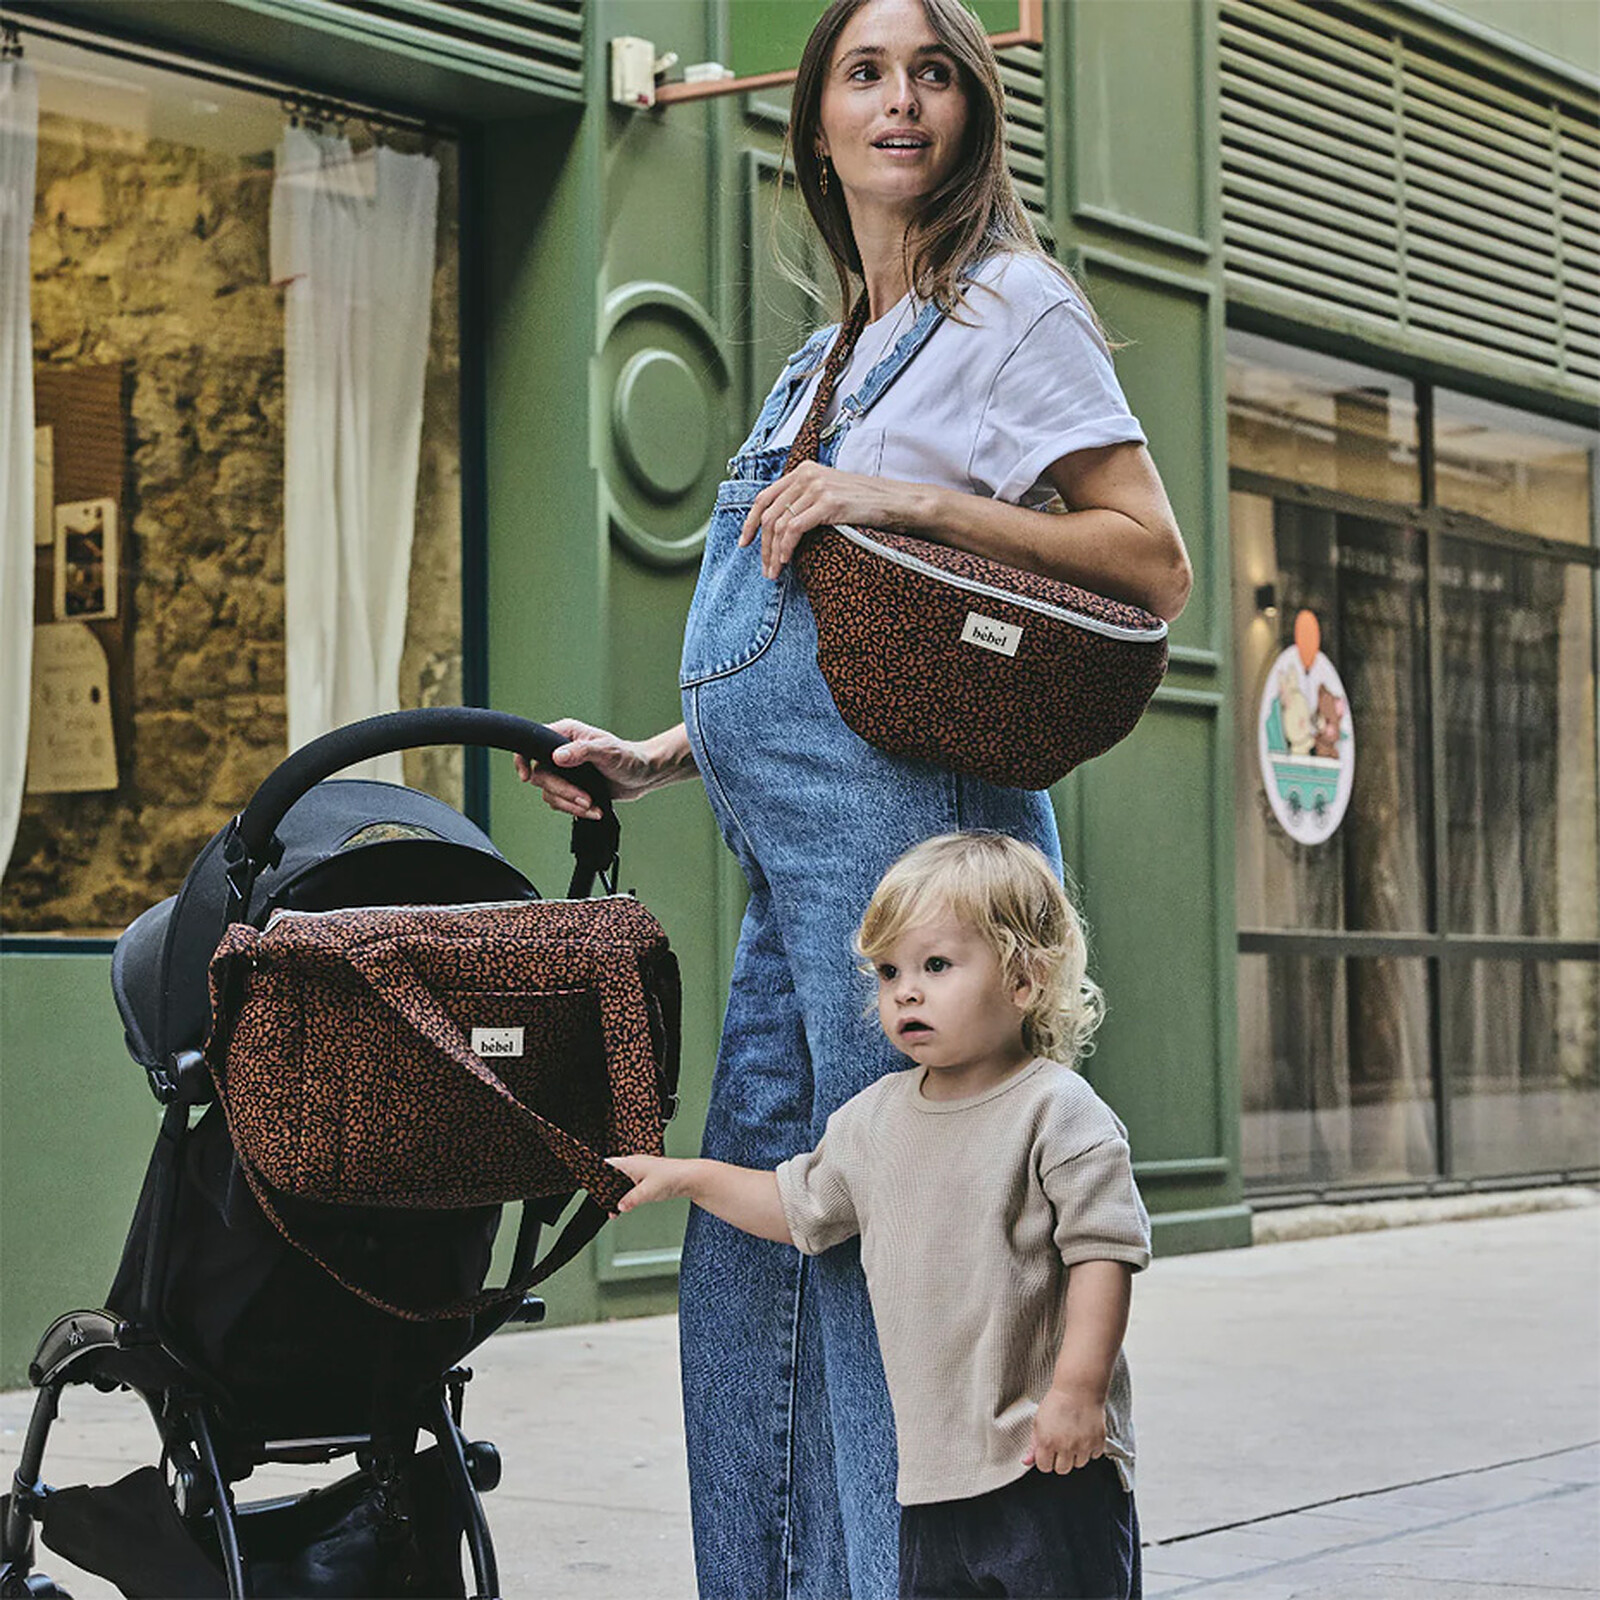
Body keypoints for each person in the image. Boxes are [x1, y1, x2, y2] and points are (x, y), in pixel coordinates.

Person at [516, 2, 1190, 1592]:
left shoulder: (1011, 310)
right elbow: (826, 646)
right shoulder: (827, 352)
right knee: (760, 1260)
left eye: (934, 72)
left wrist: (903, 490)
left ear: (972, 112)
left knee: (907, 1269)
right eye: (866, 75)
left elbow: (1150, 555)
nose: (901, 103)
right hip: (791, 875)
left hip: (915, 875)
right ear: (813, 121)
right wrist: (655, 754)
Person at [609, 833, 1151, 1600]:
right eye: (889, 971)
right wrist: (692, 1177)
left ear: (1026, 979)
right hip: (931, 1486)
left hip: (1047, 1467)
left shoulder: (1057, 1110)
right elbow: (798, 1207)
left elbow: (1106, 1253)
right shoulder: (872, 1121)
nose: (905, 992)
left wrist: (1079, 1392)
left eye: (936, 966)